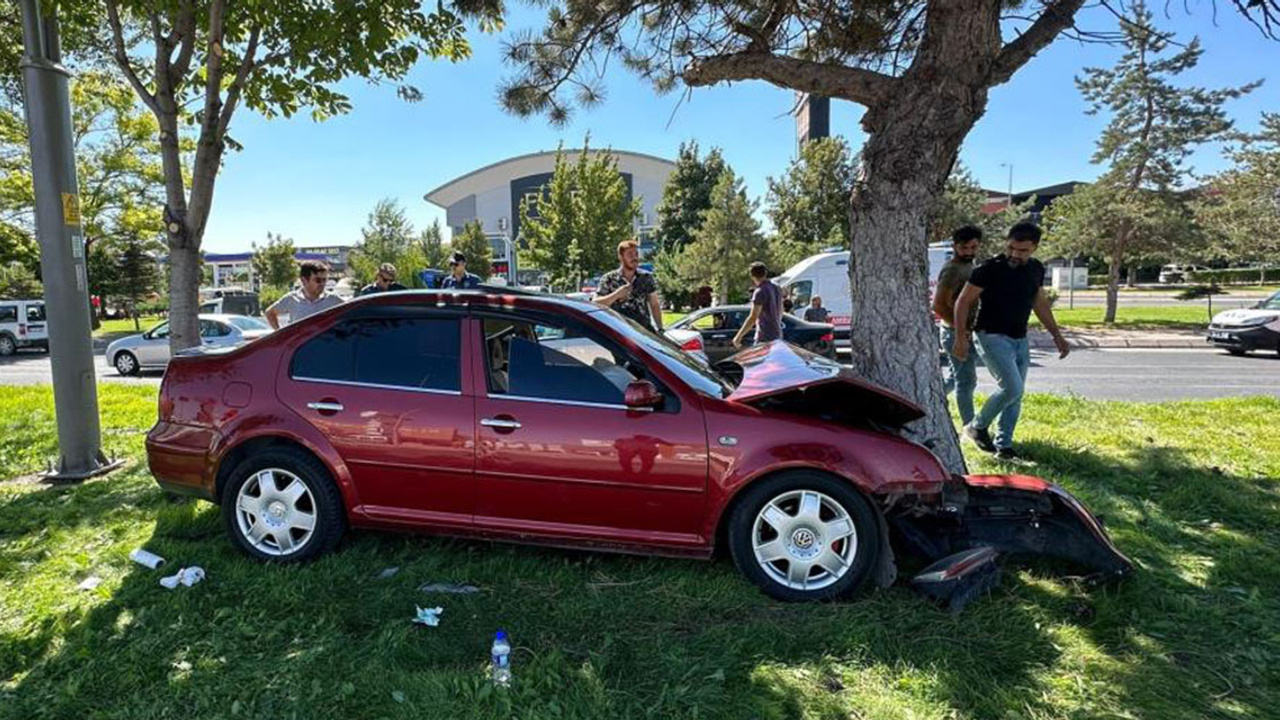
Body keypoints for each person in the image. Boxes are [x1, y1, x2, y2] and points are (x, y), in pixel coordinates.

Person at [952, 223, 1070, 460]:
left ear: (1034, 248)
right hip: (990, 335)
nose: (1015, 254)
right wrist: (960, 338)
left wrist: (1056, 334)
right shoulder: (989, 268)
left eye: (1023, 250)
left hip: (1020, 338)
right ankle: (977, 427)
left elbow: (1040, 303)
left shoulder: (1036, 269)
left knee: (1016, 394)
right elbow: (963, 302)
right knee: (1012, 387)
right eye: (1012, 248)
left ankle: (1004, 447)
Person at [932, 226, 982, 426]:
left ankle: (928, 404)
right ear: (954, 246)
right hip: (955, 332)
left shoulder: (969, 265)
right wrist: (961, 331)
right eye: (964, 248)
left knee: (955, 378)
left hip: (963, 331)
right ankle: (970, 427)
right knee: (966, 382)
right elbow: (938, 305)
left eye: (973, 247)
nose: (969, 252)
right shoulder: (953, 269)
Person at [593, 239, 663, 332]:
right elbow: (596, 303)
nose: (634, 258)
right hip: (620, 333)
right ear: (621, 257)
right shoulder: (609, 279)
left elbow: (654, 304)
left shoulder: (646, 277)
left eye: (636, 254)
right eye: (630, 254)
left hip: (644, 333)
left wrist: (660, 328)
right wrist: (617, 294)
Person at [264, 260, 344, 329]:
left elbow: (352, 312)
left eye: (324, 280)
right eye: (318, 280)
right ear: (304, 280)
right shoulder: (291, 299)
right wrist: (281, 335)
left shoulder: (334, 300)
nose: (322, 284)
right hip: (302, 346)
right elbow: (270, 313)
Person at [732, 261, 783, 349]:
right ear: (765, 273)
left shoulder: (759, 292)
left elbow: (753, 317)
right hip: (777, 334)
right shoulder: (777, 287)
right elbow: (781, 310)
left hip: (764, 336)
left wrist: (738, 337)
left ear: (752, 276)